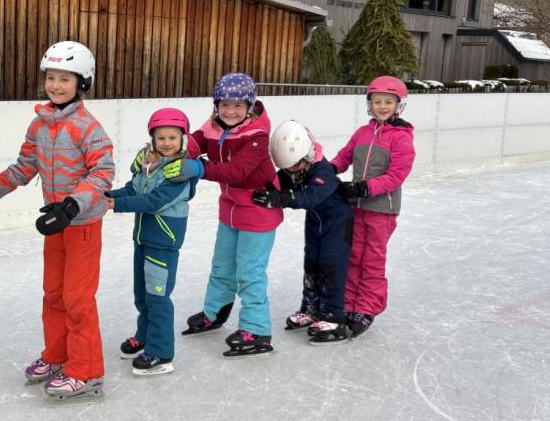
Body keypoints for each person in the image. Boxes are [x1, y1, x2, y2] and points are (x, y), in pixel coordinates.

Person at [0, 41, 115, 400]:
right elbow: (25, 166)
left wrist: (72, 206)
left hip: (82, 225)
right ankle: (58, 355)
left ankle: (86, 370)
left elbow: (103, 171)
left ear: (82, 83)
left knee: (77, 298)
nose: (56, 86)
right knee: (54, 294)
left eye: (65, 79)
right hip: (55, 224)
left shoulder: (87, 127)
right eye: (51, 78)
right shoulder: (40, 124)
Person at [177, 72, 284, 358]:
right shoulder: (213, 125)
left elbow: (237, 172)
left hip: (258, 211)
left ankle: (257, 329)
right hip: (231, 209)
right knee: (222, 265)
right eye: (224, 104)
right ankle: (216, 311)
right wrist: (168, 149)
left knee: (250, 272)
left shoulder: (257, 135)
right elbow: (194, 143)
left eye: (238, 105)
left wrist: (199, 168)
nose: (230, 111)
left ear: (250, 106)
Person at [105, 108, 198, 376]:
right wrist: (107, 193)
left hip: (164, 242)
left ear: (182, 139)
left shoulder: (179, 174)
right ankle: (144, 336)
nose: (166, 143)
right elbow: (134, 189)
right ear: (152, 139)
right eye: (161, 138)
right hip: (144, 239)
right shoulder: (150, 165)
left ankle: (161, 352)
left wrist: (116, 205)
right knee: (142, 295)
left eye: (172, 137)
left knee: (158, 297)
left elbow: (155, 201)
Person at [252, 120, 353, 345]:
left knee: (331, 267)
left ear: (307, 154)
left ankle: (334, 316)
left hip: (337, 224)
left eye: (295, 165)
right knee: (312, 265)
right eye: (286, 167)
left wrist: (283, 198)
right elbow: (278, 182)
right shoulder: (292, 167)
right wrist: (267, 189)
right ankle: (310, 308)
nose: (291, 171)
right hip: (315, 224)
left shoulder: (323, 170)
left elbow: (310, 197)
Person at [329, 76, 415, 338]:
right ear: (370, 104)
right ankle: (347, 304)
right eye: (377, 101)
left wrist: (365, 188)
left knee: (372, 261)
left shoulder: (401, 138)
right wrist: (329, 169)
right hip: (356, 207)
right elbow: (344, 157)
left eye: (388, 101)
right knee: (353, 256)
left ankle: (365, 308)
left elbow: (396, 175)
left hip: (382, 209)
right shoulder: (362, 133)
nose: (382, 106)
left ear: (399, 105)